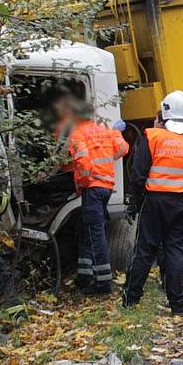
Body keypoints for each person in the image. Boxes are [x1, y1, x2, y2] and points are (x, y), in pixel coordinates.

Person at [122, 90, 183, 315]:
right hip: (182, 204)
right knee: (175, 252)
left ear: (165, 113)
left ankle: (131, 300)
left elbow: (138, 174)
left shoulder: (152, 137)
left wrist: (133, 201)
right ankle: (177, 305)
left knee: (145, 250)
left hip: (154, 202)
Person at [56, 95, 129, 295]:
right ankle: (85, 276)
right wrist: (116, 133)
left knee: (95, 235)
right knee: (88, 231)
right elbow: (123, 149)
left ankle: (103, 284)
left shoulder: (78, 134)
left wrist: (85, 181)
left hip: (93, 189)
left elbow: (82, 162)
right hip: (106, 187)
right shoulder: (105, 131)